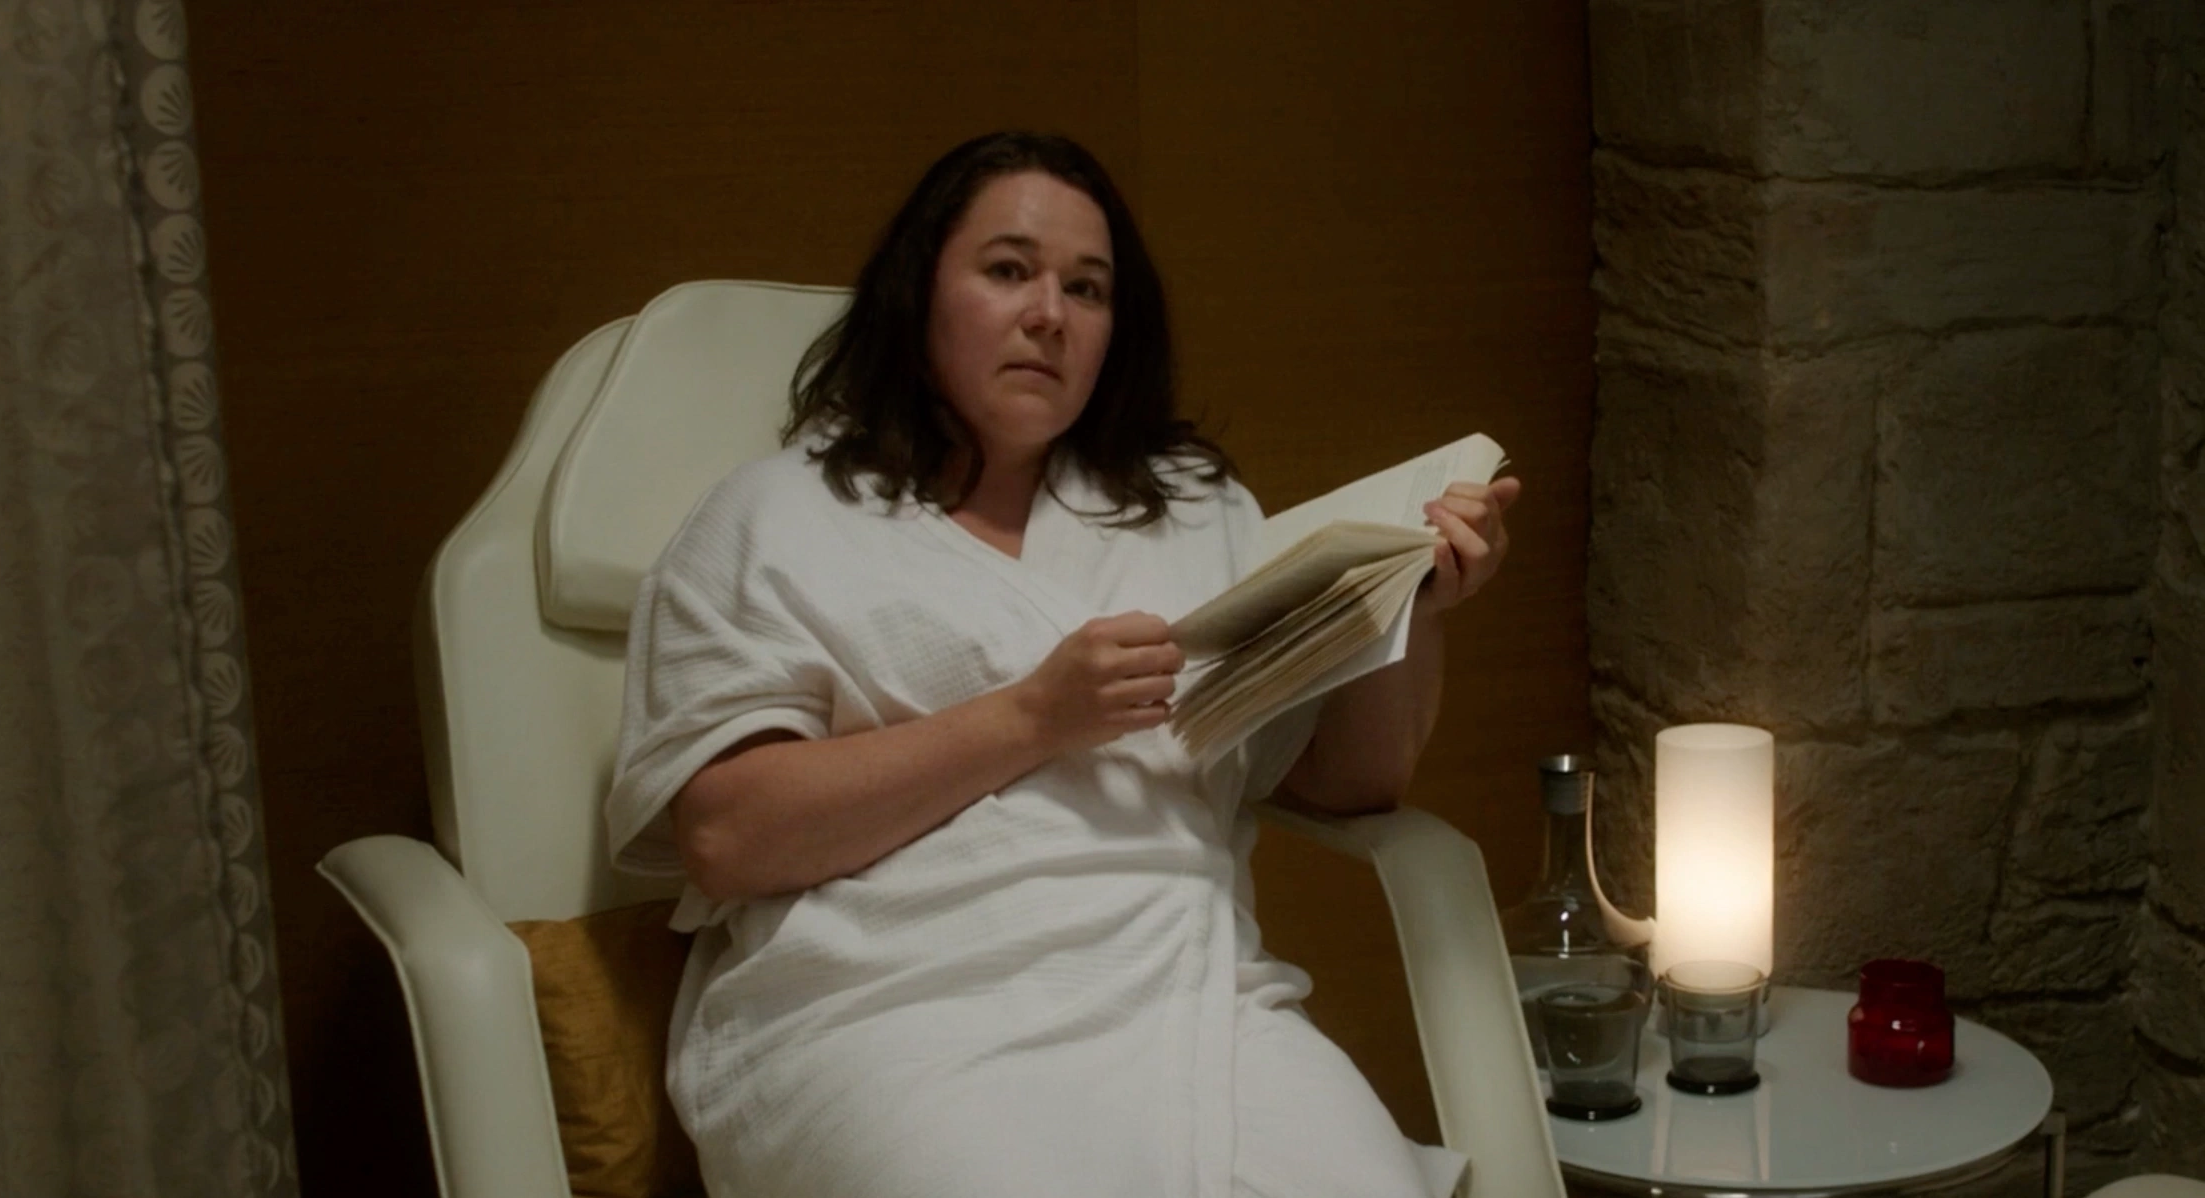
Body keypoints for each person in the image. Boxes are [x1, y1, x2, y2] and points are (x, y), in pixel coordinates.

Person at [603, 131, 1520, 1198]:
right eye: (1008, 271)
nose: (1050, 313)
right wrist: (1032, 717)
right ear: (920, 292)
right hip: (891, 1009)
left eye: (1087, 289)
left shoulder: (1191, 511)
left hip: (1186, 997)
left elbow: (1350, 784)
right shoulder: (778, 517)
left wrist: (1416, 604)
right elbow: (725, 837)